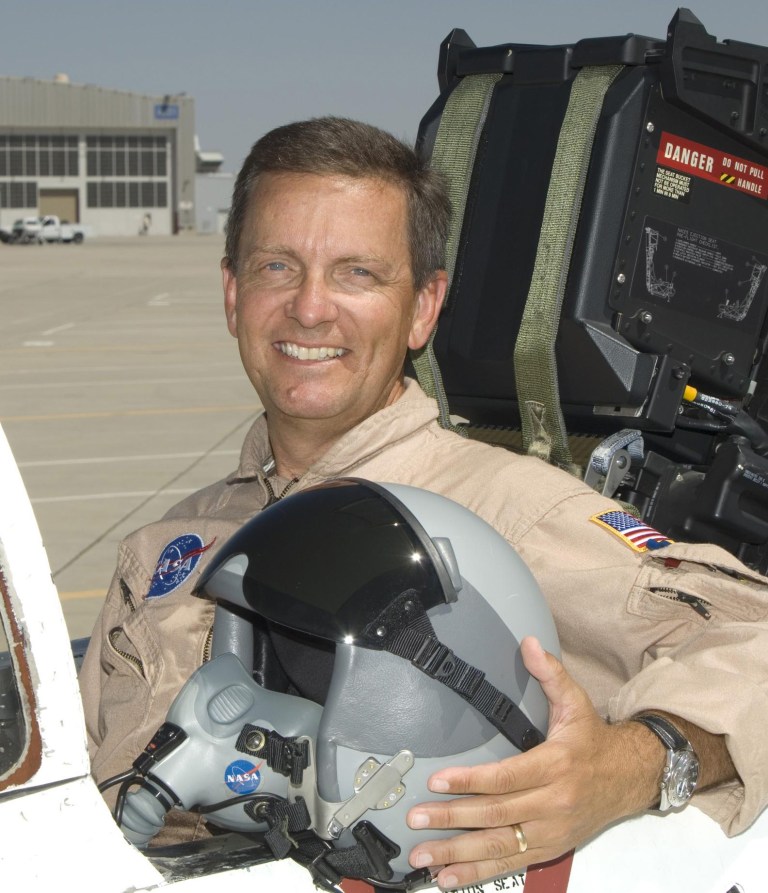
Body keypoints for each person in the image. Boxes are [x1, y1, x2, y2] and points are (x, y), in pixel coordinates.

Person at [80, 116, 768, 889]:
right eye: (278, 266)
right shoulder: (161, 552)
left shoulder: (503, 515)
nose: (310, 309)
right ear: (234, 293)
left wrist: (633, 764)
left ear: (423, 309)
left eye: (358, 274)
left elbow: (755, 637)